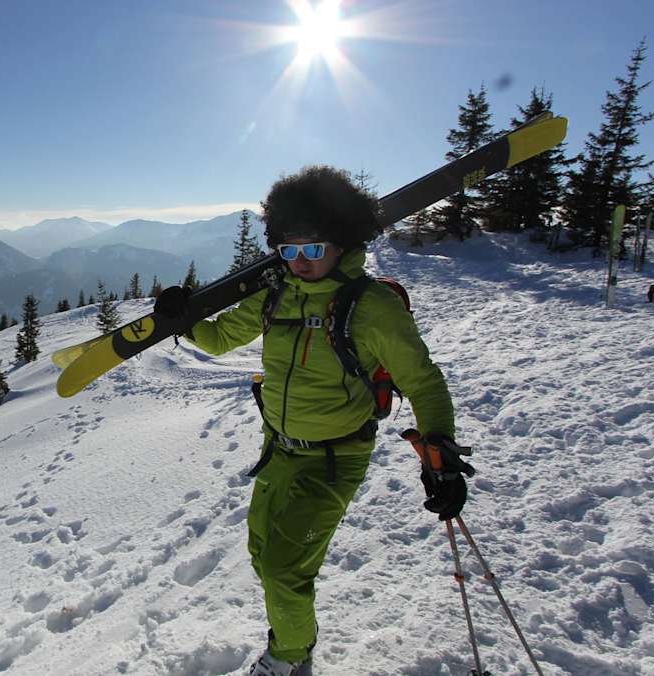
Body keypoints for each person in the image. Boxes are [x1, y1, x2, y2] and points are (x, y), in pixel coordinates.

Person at [153, 166, 471, 676]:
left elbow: (425, 383)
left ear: (342, 243)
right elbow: (216, 339)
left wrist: (443, 460)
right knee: (263, 554)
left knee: (283, 568)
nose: (300, 262)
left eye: (313, 249)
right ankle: (295, 634)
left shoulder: (373, 308)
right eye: (289, 249)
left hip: (335, 458)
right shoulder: (275, 294)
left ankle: (291, 657)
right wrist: (181, 317)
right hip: (278, 449)